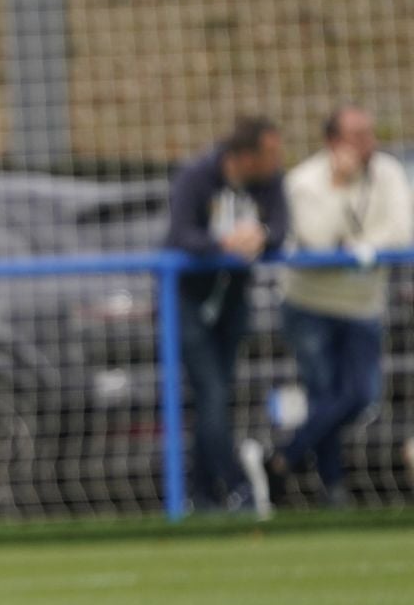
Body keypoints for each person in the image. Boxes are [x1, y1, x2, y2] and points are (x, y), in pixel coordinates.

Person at [245, 105, 414, 511]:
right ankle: (333, 491)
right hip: (310, 304)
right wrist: (340, 186)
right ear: (332, 141)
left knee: (360, 395)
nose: (366, 143)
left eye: (369, 133)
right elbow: (317, 241)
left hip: (362, 305)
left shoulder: (388, 172)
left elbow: (402, 231)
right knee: (324, 395)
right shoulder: (305, 181)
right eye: (356, 135)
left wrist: (363, 248)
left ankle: (280, 459)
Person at [165, 116, 290, 513]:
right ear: (245, 156)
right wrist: (223, 244)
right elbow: (179, 235)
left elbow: (280, 228)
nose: (277, 161)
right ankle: (239, 486)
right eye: (269, 153)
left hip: (234, 303)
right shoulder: (196, 177)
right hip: (189, 303)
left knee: (216, 400)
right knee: (213, 395)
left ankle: (202, 496)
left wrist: (262, 237)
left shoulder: (269, 182)